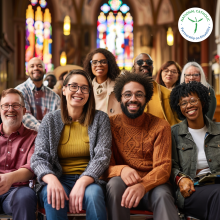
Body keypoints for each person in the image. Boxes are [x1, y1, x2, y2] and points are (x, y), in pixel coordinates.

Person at [31, 69, 112, 220]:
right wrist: (51, 179)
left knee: (94, 196)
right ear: (64, 90)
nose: (79, 91)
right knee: (52, 195)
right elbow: (38, 157)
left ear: (89, 93)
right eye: (73, 86)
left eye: (84, 88)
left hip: (90, 180)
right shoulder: (49, 120)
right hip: (58, 178)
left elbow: (102, 156)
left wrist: (82, 181)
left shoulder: (100, 119)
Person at [106, 71, 179, 220]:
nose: (133, 99)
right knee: (114, 185)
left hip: (153, 187)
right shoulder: (109, 124)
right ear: (120, 97)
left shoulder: (160, 126)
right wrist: (122, 169)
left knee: (163, 195)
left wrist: (143, 185)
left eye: (139, 94)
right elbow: (104, 166)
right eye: (127, 94)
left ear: (147, 99)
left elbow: (164, 168)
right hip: (122, 186)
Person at [170, 81, 220, 220]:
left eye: (193, 100)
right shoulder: (173, 133)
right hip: (192, 189)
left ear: (202, 102)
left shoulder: (219, 130)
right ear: (179, 107)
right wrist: (180, 178)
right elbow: (169, 164)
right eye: (183, 103)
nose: (189, 105)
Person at [0, 88, 37, 220]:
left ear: (24, 110)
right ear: (0, 109)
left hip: (18, 190)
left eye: (16, 105)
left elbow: (32, 168)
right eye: (6, 105)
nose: (10, 109)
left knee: (26, 197)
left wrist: (9, 178)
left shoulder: (34, 136)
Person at [133, 53, 180, 126]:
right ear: (134, 68)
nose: (145, 64)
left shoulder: (168, 94)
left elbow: (177, 123)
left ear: (152, 67)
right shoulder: (124, 94)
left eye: (149, 62)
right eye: (140, 62)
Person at [15, 57, 60, 131]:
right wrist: (43, 130)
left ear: (45, 71)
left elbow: (58, 119)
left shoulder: (55, 97)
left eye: (39, 66)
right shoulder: (19, 91)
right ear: (27, 71)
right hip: (26, 138)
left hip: (49, 139)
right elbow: (24, 116)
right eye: (32, 66)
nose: (36, 68)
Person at [83, 48, 122, 116]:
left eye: (103, 62)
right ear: (90, 66)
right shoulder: (85, 88)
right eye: (94, 62)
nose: (99, 65)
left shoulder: (119, 87)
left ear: (109, 64)